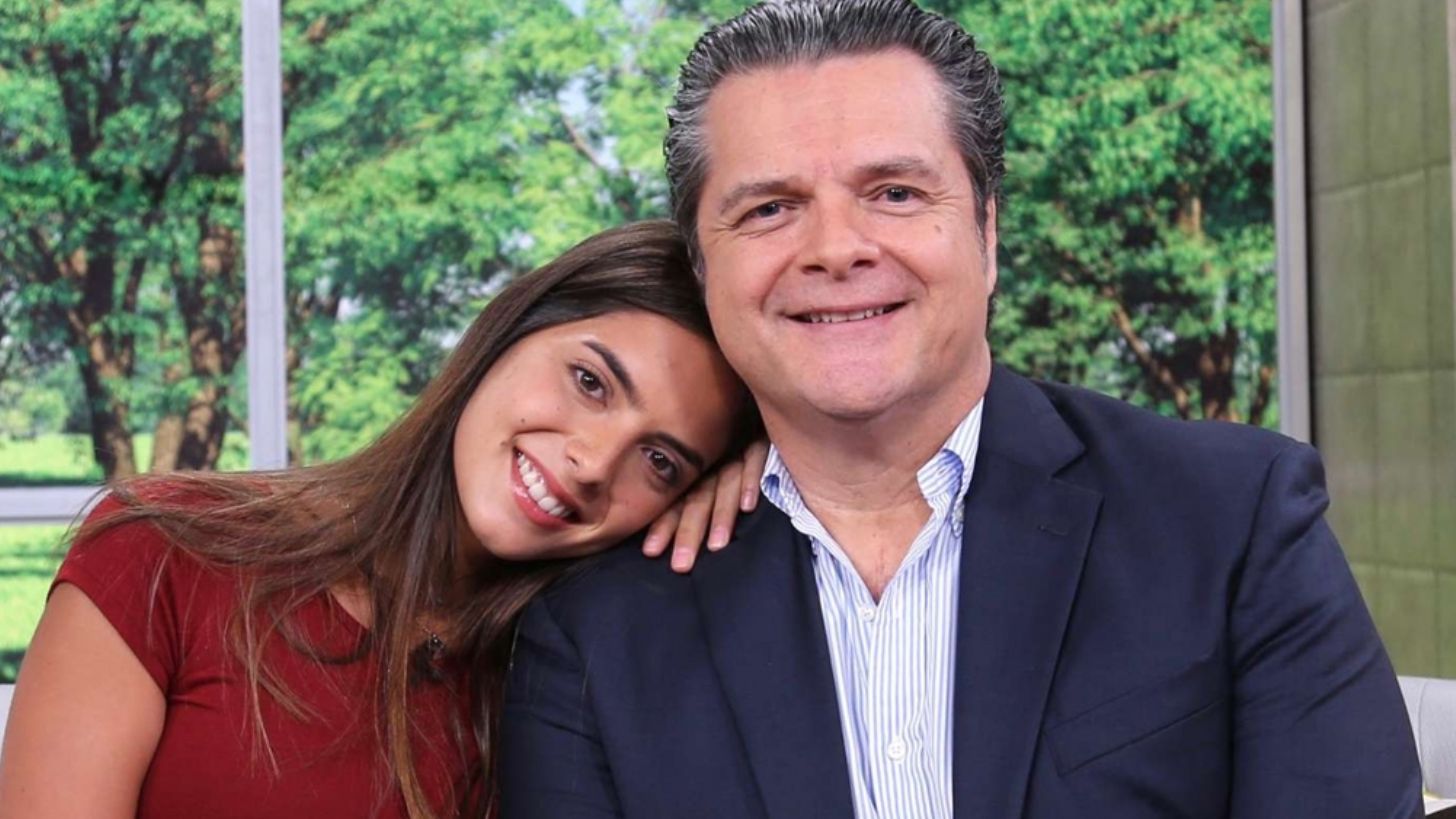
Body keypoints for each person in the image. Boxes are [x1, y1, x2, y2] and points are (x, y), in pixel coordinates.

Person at [498, 1, 1424, 817]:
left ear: (987, 231)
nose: (835, 248)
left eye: (894, 193)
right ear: (704, 272)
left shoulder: (1231, 522)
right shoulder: (595, 634)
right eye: (771, 209)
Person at [0, 219, 766, 819]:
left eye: (659, 461)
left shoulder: (563, 689)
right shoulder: (165, 548)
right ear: (509, 329)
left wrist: (769, 492)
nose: (595, 462)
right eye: (590, 381)